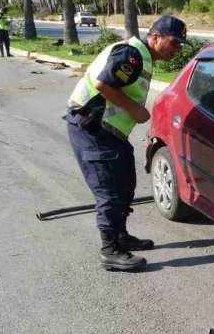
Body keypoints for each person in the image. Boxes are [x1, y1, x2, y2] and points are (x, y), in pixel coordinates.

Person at [64, 16, 187, 271]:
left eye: (181, 45)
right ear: (155, 37)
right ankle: (110, 250)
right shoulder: (131, 55)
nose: (177, 49)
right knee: (109, 190)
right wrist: (136, 110)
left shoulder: (143, 56)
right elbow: (103, 84)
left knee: (125, 184)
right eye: (174, 43)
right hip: (92, 128)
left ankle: (121, 236)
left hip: (110, 132)